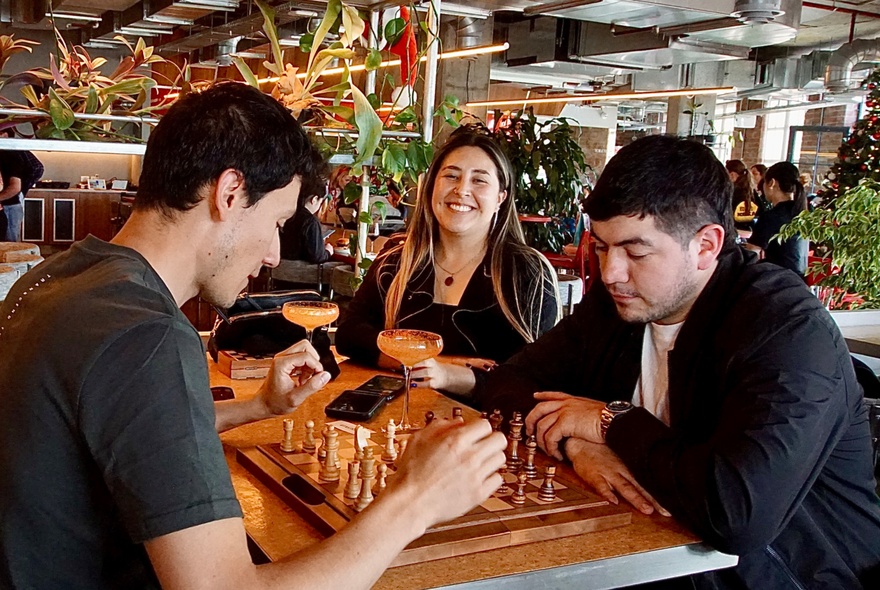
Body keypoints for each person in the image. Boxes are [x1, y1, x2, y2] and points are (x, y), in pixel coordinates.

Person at [0, 82, 507, 590]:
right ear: (230, 193)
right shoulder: (148, 334)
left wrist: (258, 407)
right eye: (277, 222)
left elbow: (117, 432)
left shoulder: (59, 277)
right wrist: (415, 500)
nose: (270, 254)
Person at [478, 135, 880, 589]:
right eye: (603, 247)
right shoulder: (617, 308)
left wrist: (610, 422)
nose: (611, 272)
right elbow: (504, 383)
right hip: (645, 563)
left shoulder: (785, 329)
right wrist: (578, 446)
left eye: (636, 251)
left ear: (706, 245)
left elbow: (737, 516)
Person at [336, 129, 560, 397]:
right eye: (451, 176)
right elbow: (349, 336)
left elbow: (537, 377)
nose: (462, 189)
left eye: (479, 180)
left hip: (486, 429)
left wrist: (452, 376)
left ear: (501, 196)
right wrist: (431, 365)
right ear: (432, 186)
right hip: (399, 420)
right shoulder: (396, 259)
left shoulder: (529, 272)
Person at [745, 161, 809, 277]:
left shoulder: (772, 216)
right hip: (799, 283)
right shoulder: (803, 213)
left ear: (772, 183)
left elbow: (751, 254)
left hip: (777, 283)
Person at [0, 128, 43, 241]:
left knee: (9, 246)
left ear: (5, 135)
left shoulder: (10, 155)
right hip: (11, 204)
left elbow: (14, 188)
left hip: (9, 206)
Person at [279, 183, 334, 264]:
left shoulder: (285, 214)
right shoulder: (311, 221)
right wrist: (328, 251)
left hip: (278, 270)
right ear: (314, 199)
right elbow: (317, 257)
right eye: (320, 202)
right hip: (302, 273)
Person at [726, 159, 759, 230]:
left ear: (732, 175)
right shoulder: (752, 191)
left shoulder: (732, 192)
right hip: (750, 230)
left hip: (733, 230)